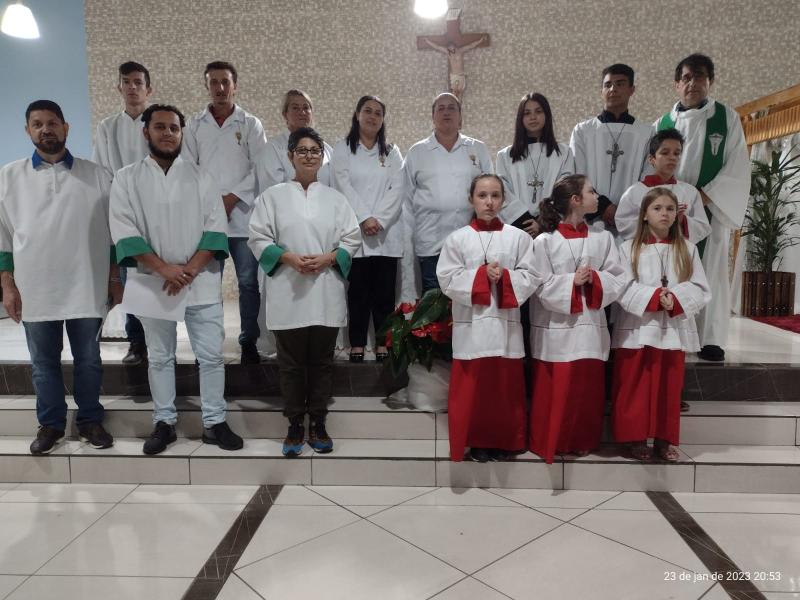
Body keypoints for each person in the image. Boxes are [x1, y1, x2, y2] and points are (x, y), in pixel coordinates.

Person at [110, 104, 243, 455]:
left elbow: (216, 230)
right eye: (160, 127)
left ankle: (214, 422)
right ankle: (164, 422)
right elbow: (124, 230)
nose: (168, 133)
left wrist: (187, 270)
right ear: (146, 132)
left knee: (211, 356)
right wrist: (163, 268)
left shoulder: (202, 176)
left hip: (199, 280)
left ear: (183, 133)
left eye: (174, 128)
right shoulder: (126, 178)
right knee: (159, 356)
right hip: (151, 281)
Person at [0, 100, 119, 455]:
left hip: (86, 282)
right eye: (37, 124)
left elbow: (114, 234)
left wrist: (114, 279)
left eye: (52, 123)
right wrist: (7, 285)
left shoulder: (97, 175)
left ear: (66, 128)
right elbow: (3, 237)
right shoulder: (8, 177)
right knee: (43, 363)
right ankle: (50, 424)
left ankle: (90, 420)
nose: (45, 129)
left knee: (89, 359)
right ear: (28, 131)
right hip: (35, 285)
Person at [248, 127, 360, 457]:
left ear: (322, 157)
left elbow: (351, 239)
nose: (309, 155)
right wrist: (288, 257)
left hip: (325, 291)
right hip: (288, 290)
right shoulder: (272, 197)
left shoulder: (336, 199)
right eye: (302, 150)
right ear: (290, 155)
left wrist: (328, 258)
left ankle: (319, 422)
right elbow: (258, 238)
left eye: (315, 151)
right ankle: (295, 423)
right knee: (292, 364)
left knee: (322, 363)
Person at [655, 53, 750, 363]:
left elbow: (736, 166)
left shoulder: (726, 118)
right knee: (672, 270)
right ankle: (677, 332)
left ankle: (710, 338)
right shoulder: (663, 123)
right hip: (670, 212)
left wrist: (703, 198)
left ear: (710, 81)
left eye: (698, 77)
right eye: (685, 78)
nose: (691, 83)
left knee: (710, 272)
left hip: (709, 208)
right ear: (676, 84)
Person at [437, 174, 537, 462]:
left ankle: (506, 441)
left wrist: (504, 277)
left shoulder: (518, 238)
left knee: (504, 390)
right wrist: (482, 276)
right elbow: (447, 279)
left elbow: (531, 276)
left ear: (503, 200)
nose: (489, 202)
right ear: (471, 199)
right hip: (473, 328)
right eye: (482, 195)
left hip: (505, 327)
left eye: (495, 195)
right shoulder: (457, 239)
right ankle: (477, 441)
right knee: (475, 391)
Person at [529, 174, 626, 463]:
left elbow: (618, 278)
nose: (598, 196)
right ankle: (553, 440)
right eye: (592, 191)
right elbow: (539, 285)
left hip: (589, 328)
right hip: (556, 329)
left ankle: (582, 439)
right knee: (557, 389)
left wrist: (593, 279)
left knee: (585, 390)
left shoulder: (603, 238)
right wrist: (572, 281)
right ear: (576, 200)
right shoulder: (545, 242)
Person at [611, 188, 711, 461]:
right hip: (638, 329)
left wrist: (676, 299)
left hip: (672, 330)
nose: (664, 213)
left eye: (670, 208)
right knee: (635, 385)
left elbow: (701, 287)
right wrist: (655, 297)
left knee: (668, 387)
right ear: (644, 215)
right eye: (657, 208)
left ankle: (665, 440)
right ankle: (634, 438)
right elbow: (621, 287)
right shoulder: (628, 248)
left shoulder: (687, 249)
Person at [182, 61, 268, 364]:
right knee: (207, 285)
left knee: (247, 282)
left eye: (225, 82)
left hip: (243, 217)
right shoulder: (194, 124)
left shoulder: (250, 124)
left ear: (235, 85)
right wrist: (213, 202)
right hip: (207, 219)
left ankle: (248, 342)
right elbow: (189, 168)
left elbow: (260, 168)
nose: (220, 88)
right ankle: (209, 344)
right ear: (206, 86)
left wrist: (231, 199)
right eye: (213, 82)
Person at [331, 95, 404, 363]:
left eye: (378, 113)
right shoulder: (343, 148)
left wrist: (379, 219)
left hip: (386, 233)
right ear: (357, 114)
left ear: (383, 120)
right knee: (358, 292)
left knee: (385, 294)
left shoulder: (392, 151)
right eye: (367, 111)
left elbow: (398, 188)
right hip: (355, 231)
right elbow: (342, 183)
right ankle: (357, 343)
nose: (372, 116)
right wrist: (363, 218)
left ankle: (384, 343)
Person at [93, 61, 153, 365]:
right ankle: (137, 342)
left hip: (156, 211)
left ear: (148, 88)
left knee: (155, 278)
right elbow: (103, 172)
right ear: (119, 87)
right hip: (123, 209)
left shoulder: (157, 123)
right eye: (127, 82)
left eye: (138, 82)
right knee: (130, 280)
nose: (132, 88)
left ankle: (159, 339)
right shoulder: (108, 127)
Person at [403, 92, 493, 293]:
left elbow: (492, 191)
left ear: (460, 115)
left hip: (472, 241)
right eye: (440, 108)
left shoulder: (477, 149)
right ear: (432, 116)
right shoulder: (417, 152)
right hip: (430, 242)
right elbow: (405, 199)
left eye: (452, 107)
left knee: (470, 299)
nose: (446, 112)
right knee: (434, 306)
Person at [570, 64, 653, 232]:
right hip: (590, 219)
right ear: (601, 91)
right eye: (608, 85)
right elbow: (576, 174)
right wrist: (604, 207)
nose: (613, 89)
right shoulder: (583, 131)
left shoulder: (646, 132)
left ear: (632, 89)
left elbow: (648, 175)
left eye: (620, 84)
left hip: (632, 219)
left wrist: (625, 210)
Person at [497, 92, 575, 235]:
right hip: (517, 229)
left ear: (547, 115)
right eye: (527, 113)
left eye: (538, 111)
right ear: (520, 118)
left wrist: (543, 222)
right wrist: (524, 221)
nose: (533, 117)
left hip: (552, 229)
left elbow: (565, 191)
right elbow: (503, 192)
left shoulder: (563, 153)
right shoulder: (505, 156)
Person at [616, 129, 711, 244]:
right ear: (652, 159)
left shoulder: (690, 192)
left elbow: (703, 227)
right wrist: (655, 222)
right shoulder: (634, 192)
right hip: (645, 254)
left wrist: (682, 220)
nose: (672, 158)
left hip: (678, 254)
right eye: (665, 153)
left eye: (677, 153)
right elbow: (623, 224)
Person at [254, 89, 332, 193]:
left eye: (306, 107)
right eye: (295, 108)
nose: (302, 112)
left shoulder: (327, 150)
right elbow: (271, 191)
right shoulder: (273, 148)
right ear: (285, 114)